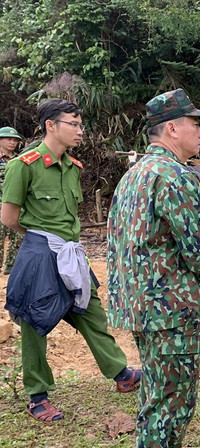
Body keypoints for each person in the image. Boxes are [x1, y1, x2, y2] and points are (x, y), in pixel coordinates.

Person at [107, 89, 200, 448]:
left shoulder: (133, 175)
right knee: (171, 408)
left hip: (143, 311)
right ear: (172, 129)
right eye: (195, 124)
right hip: (171, 312)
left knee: (157, 400)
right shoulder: (173, 176)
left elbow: (122, 247)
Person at [1, 99, 140, 423]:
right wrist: (41, 238)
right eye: (73, 124)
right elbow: (9, 218)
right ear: (51, 125)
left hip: (71, 252)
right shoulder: (24, 165)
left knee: (90, 311)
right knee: (36, 321)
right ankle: (38, 396)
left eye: (80, 124)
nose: (80, 131)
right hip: (40, 252)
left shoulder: (72, 167)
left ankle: (122, 374)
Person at [0, 126, 23, 274]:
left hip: (15, 203)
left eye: (15, 140)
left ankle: (11, 266)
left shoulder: (19, 159)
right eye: (9, 139)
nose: (12, 142)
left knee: (17, 236)